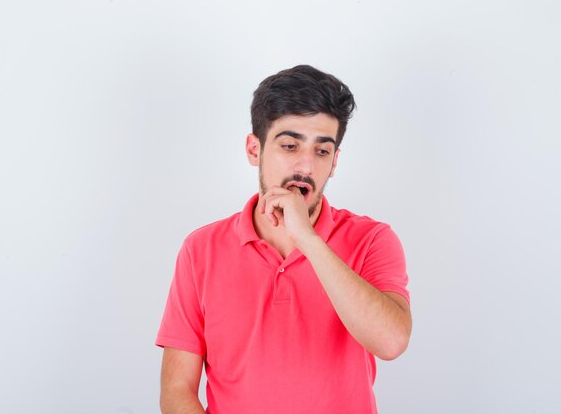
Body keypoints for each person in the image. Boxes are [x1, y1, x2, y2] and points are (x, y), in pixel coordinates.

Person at [156, 65, 412, 414]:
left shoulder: (373, 239)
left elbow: (392, 342)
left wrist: (307, 239)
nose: (305, 166)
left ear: (335, 161)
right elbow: (176, 389)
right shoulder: (200, 249)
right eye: (290, 146)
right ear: (253, 149)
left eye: (322, 151)